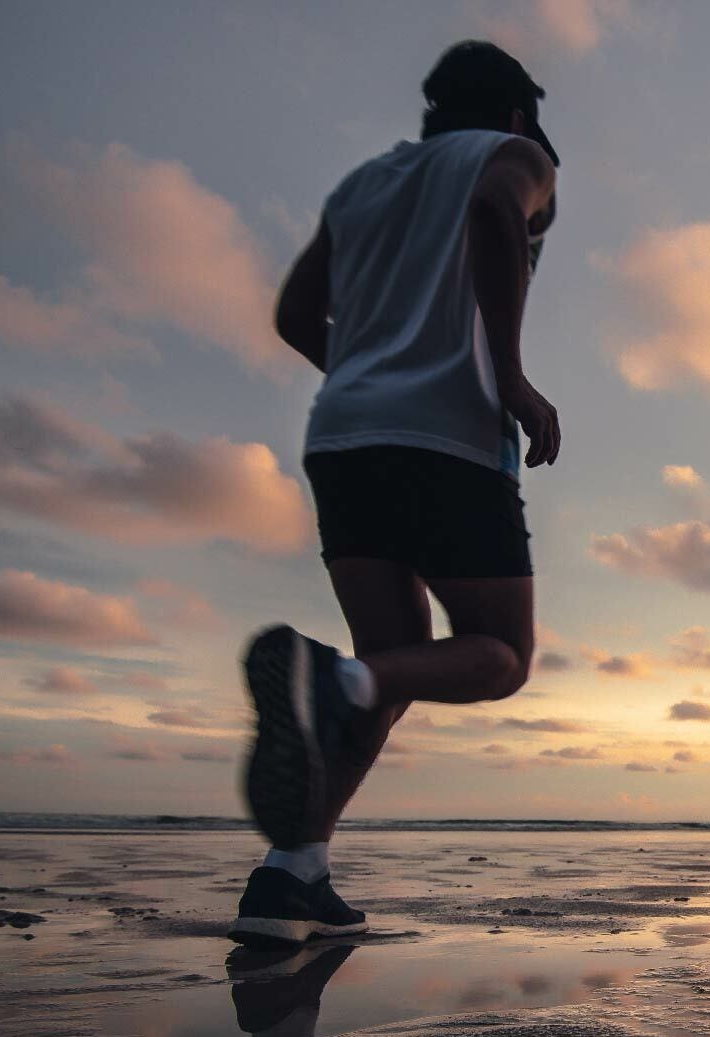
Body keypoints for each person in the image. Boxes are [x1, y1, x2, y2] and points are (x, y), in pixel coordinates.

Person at [228, 41, 561, 949]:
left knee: (396, 654)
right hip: (449, 439)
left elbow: (297, 316)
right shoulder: (518, 156)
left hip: (343, 438)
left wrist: (372, 376)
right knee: (498, 655)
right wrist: (512, 380)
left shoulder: (364, 183)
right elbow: (498, 213)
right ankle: (332, 681)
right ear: (519, 115)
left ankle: (292, 872)